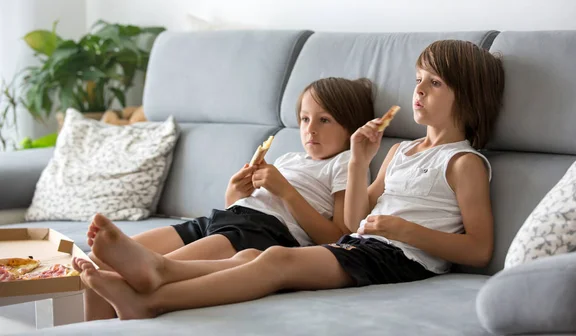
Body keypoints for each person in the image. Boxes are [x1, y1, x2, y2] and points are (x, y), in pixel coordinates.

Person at [74, 40, 505, 320]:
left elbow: (479, 249)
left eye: (434, 83)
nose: (419, 90)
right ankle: (152, 281)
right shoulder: (399, 151)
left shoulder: (463, 162)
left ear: (466, 96)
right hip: (363, 245)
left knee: (277, 259)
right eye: (417, 80)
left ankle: (155, 291)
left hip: (403, 259)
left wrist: (402, 229)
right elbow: (355, 223)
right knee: (249, 261)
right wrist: (359, 161)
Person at [83, 76, 375, 320]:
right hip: (225, 220)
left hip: (262, 232)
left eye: (324, 120)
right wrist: (236, 193)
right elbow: (244, 204)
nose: (310, 129)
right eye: (304, 119)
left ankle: (151, 274)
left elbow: (338, 235)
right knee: (99, 263)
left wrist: (285, 190)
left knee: (134, 274)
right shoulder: (290, 157)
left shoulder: (345, 163)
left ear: (352, 127)